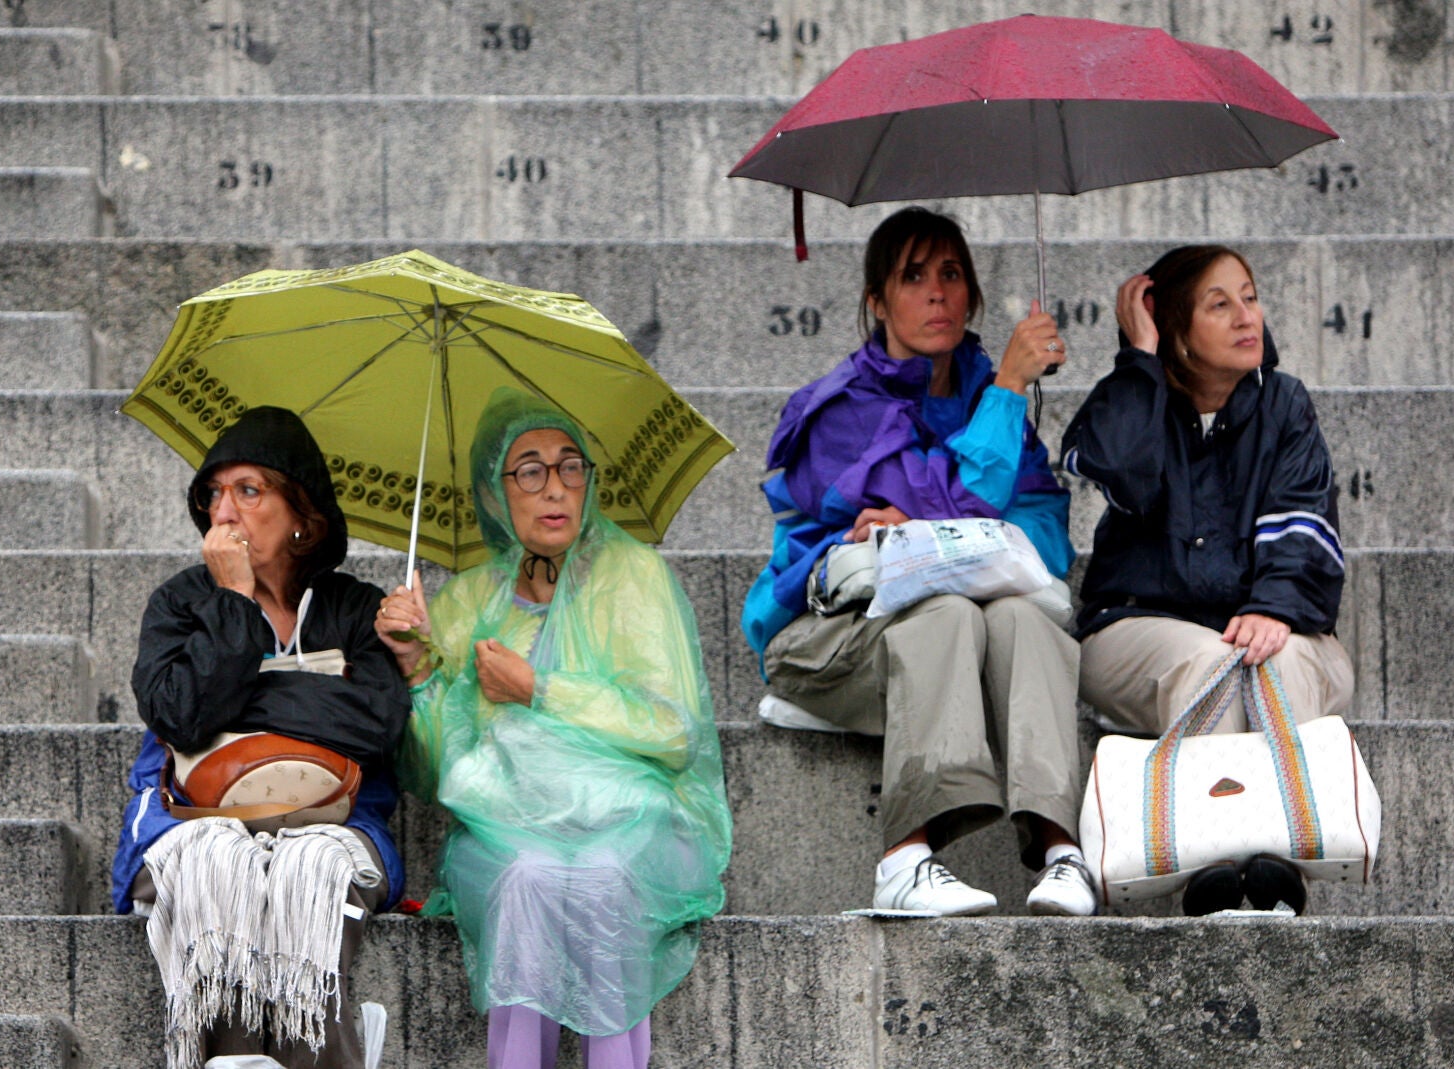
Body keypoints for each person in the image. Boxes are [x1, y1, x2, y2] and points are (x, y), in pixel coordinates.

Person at [739, 206, 1096, 917]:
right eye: (912, 276)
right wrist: (1008, 389)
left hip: (945, 644)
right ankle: (904, 857)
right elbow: (957, 500)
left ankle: (1063, 852)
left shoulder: (985, 397)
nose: (936, 292)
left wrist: (991, 413)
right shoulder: (837, 409)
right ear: (877, 301)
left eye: (951, 273)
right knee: (945, 606)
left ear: (972, 295)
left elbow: (1045, 535)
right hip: (828, 641)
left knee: (1027, 617)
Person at [375, 389, 732, 1069]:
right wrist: (418, 666)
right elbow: (431, 777)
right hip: (513, 828)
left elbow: (673, 730)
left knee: (602, 878)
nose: (556, 487)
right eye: (529, 470)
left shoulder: (633, 576)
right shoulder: (468, 602)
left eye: (572, 466)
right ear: (493, 490)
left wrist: (538, 690)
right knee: (527, 878)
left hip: (642, 818)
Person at [111, 406, 411, 1069]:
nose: (225, 511)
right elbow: (182, 716)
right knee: (221, 862)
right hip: (195, 812)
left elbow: (376, 726)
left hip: (335, 816)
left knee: (311, 868)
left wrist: (247, 699)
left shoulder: (356, 610)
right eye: (214, 493)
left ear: (301, 512)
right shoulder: (182, 603)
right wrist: (237, 606)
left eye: (249, 490)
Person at [1062, 244, 1352, 915]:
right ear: (1174, 325)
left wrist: (1275, 605)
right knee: (1214, 665)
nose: (1246, 316)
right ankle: (1214, 867)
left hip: (1285, 620)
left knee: (1266, 663)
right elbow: (1120, 472)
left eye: (1249, 296)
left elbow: (1307, 516)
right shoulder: (1135, 398)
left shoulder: (1285, 405)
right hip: (1136, 628)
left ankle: (1274, 871)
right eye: (1219, 304)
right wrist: (1140, 360)